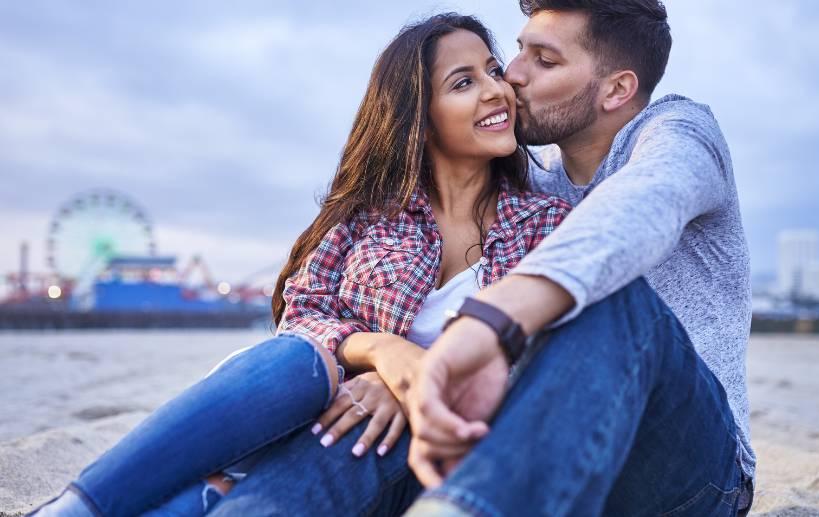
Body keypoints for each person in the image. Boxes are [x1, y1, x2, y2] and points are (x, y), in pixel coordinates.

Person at [206, 1, 756, 516]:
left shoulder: (677, 135)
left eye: (544, 61)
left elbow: (641, 208)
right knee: (369, 422)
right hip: (539, 453)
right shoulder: (526, 183)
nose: (512, 76)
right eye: (517, 52)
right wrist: (394, 370)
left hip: (685, 466)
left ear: (616, 90)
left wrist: (489, 323)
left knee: (610, 299)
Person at [30, 13, 571, 517]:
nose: (496, 89)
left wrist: (417, 384)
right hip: (303, 408)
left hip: (409, 449)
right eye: (464, 82)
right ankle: (75, 509)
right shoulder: (370, 216)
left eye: (493, 70)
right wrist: (382, 352)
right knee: (297, 358)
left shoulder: (547, 225)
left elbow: (547, 361)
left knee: (366, 430)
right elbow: (303, 313)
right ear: (421, 122)